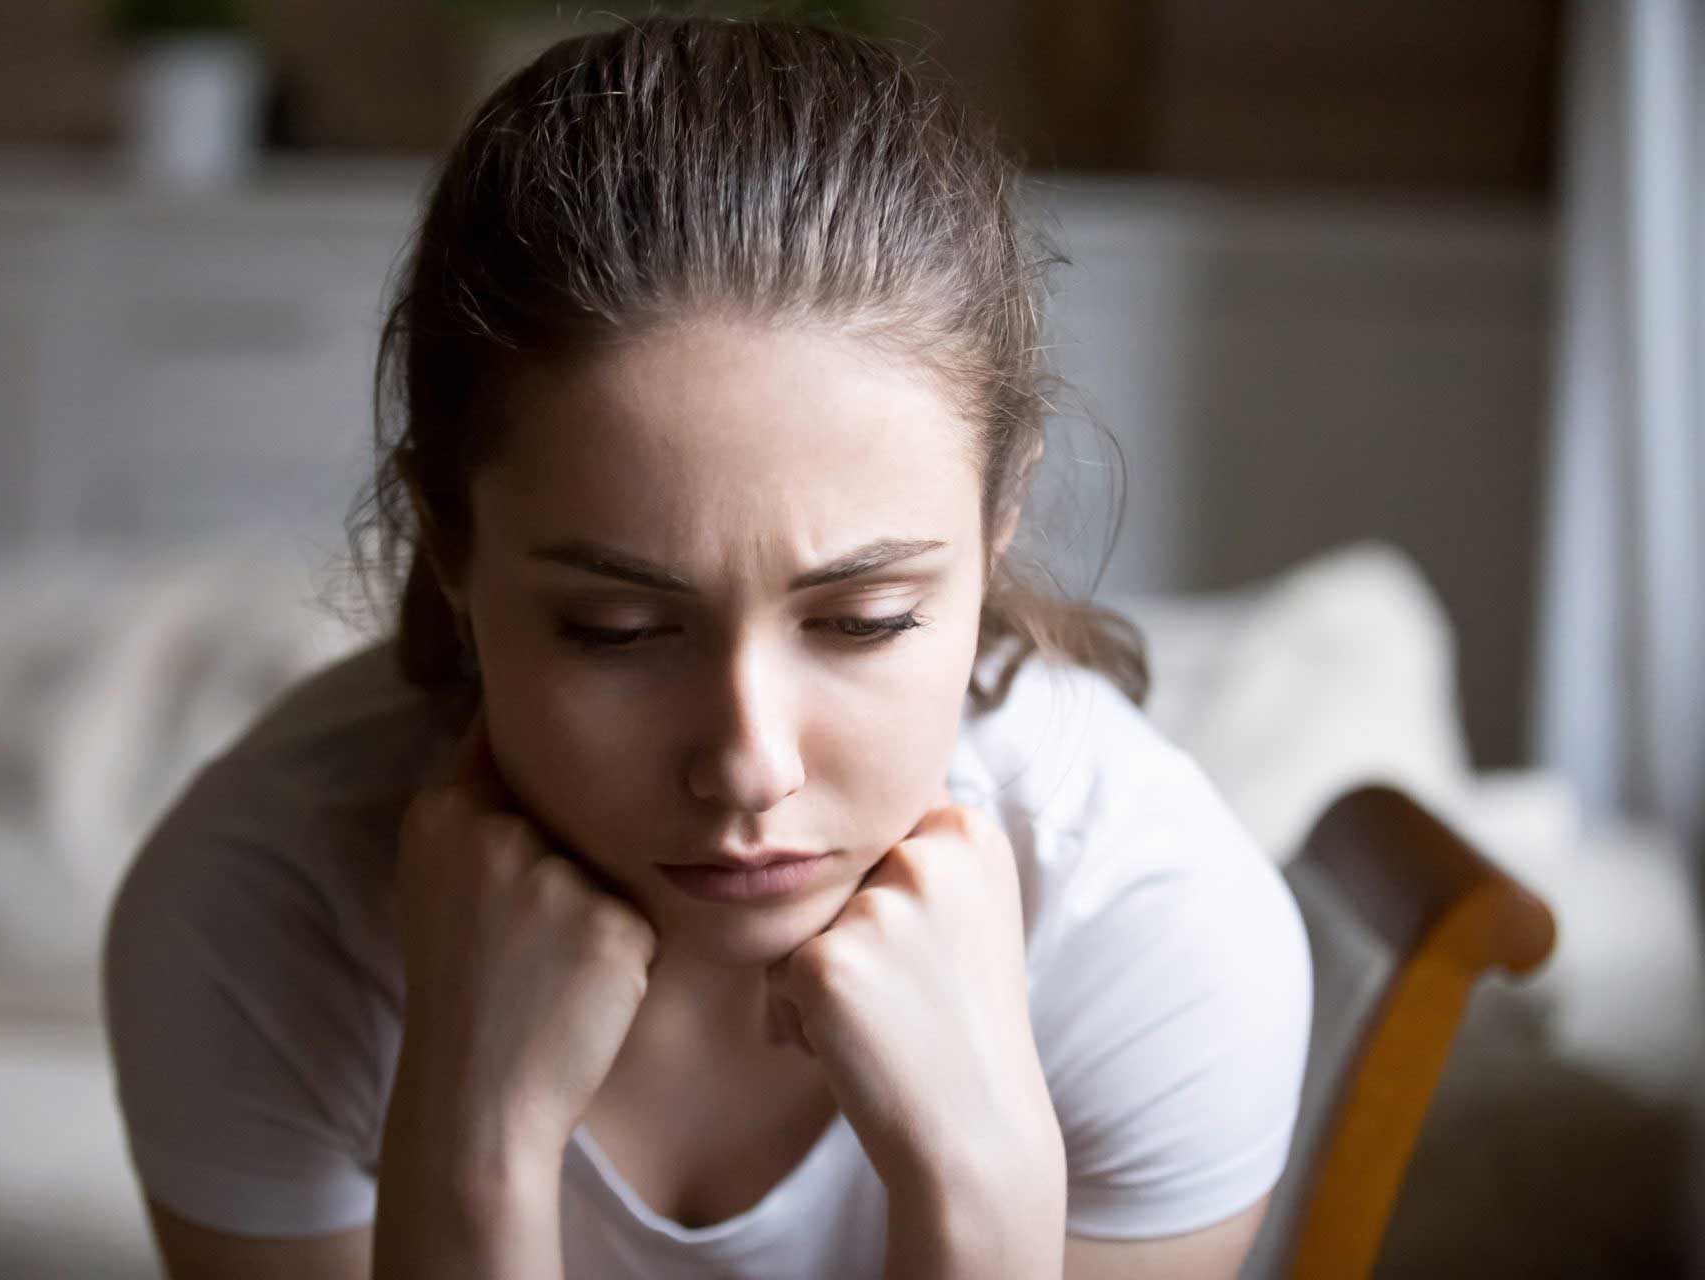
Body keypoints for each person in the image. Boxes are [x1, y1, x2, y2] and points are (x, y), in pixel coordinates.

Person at [102, 14, 1312, 1279]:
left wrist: (980, 1178)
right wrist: (476, 1139)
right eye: (615, 629)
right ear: (449, 547)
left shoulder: (1155, 930)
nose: (748, 763)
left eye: (863, 619)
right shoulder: (256, 912)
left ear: (998, 526)